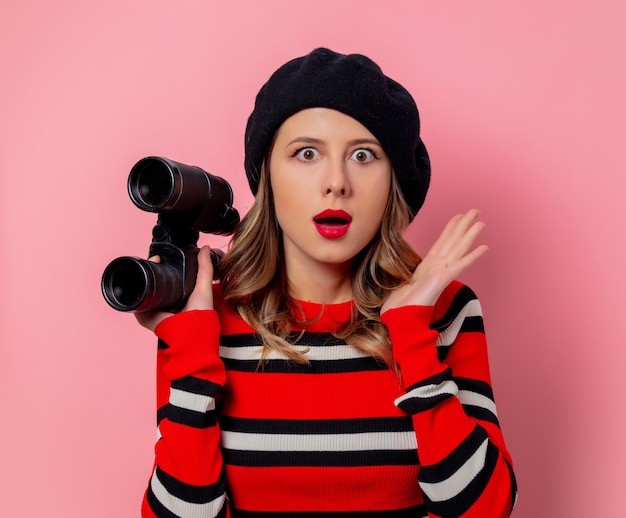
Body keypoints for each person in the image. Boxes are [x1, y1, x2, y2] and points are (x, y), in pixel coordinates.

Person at [136, 48, 517, 517]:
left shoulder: (444, 310)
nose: (336, 182)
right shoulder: (202, 319)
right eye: (307, 153)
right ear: (268, 176)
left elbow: (487, 508)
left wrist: (412, 336)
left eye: (363, 155)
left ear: (393, 180)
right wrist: (192, 355)